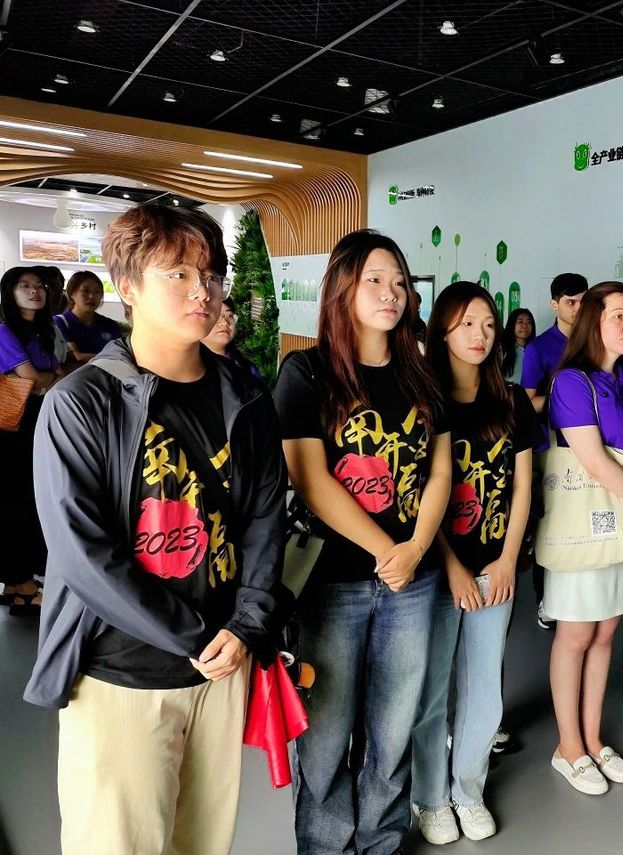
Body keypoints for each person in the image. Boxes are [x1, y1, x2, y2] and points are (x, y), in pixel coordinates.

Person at [23, 203, 289, 855]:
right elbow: (83, 555)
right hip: (121, 674)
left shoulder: (247, 401)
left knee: (203, 842)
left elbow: (264, 522)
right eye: (179, 274)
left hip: (221, 670)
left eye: (212, 275)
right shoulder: (80, 402)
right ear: (129, 287)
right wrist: (198, 637)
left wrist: (247, 625)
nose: (203, 291)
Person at [275, 229, 451, 855]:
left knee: (394, 726)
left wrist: (415, 549)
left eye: (399, 281)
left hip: (413, 581)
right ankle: (325, 846)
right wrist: (387, 550)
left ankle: (381, 841)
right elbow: (309, 478)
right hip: (331, 583)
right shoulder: (307, 370)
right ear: (342, 288)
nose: (390, 292)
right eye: (375, 279)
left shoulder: (422, 375)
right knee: (325, 733)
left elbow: (439, 471)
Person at [411, 281, 536, 844]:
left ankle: (467, 789)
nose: (480, 335)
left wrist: (507, 559)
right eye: (466, 324)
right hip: (438, 572)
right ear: (442, 330)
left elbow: (522, 486)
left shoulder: (511, 399)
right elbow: (418, 493)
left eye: (488, 324)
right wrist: (453, 566)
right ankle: (430, 796)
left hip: (495, 567)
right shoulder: (424, 399)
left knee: (485, 689)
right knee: (432, 688)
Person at [545, 281, 623, 795]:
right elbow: (594, 462)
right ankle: (568, 747)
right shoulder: (571, 382)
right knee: (575, 636)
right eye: (618, 315)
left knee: (604, 635)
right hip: (584, 524)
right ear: (593, 320)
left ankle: (593, 739)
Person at [520, 272, 588, 629]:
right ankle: (546, 601)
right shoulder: (539, 348)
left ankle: (579, 600)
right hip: (552, 450)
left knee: (583, 526)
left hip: (590, 449)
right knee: (551, 528)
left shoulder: (596, 341)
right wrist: (566, 399)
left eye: (583, 301)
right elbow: (527, 403)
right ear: (554, 304)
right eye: (570, 302)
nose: (578, 308)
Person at [0, 266, 62, 616]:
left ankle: (16, 584)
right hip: (10, 429)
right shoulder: (3, 330)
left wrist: (48, 377)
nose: (34, 291)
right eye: (24, 285)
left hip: (33, 423)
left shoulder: (42, 330)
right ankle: (22, 584)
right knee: (16, 501)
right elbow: (36, 379)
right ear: (10, 293)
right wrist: (49, 377)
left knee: (28, 499)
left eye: (39, 285)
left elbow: (54, 373)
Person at [53, 270, 123, 363]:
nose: (91, 296)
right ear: (71, 294)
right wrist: (110, 359)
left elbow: (121, 355)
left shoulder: (110, 325)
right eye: (85, 291)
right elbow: (76, 356)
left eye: (97, 291)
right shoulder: (59, 322)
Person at [202, 297, 260, 379]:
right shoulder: (188, 368)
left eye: (230, 316)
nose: (225, 323)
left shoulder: (247, 368)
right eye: (216, 315)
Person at [501, 307, 535, 382]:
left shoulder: (537, 350)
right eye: (520, 322)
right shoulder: (501, 350)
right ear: (512, 324)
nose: (524, 326)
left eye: (529, 322)